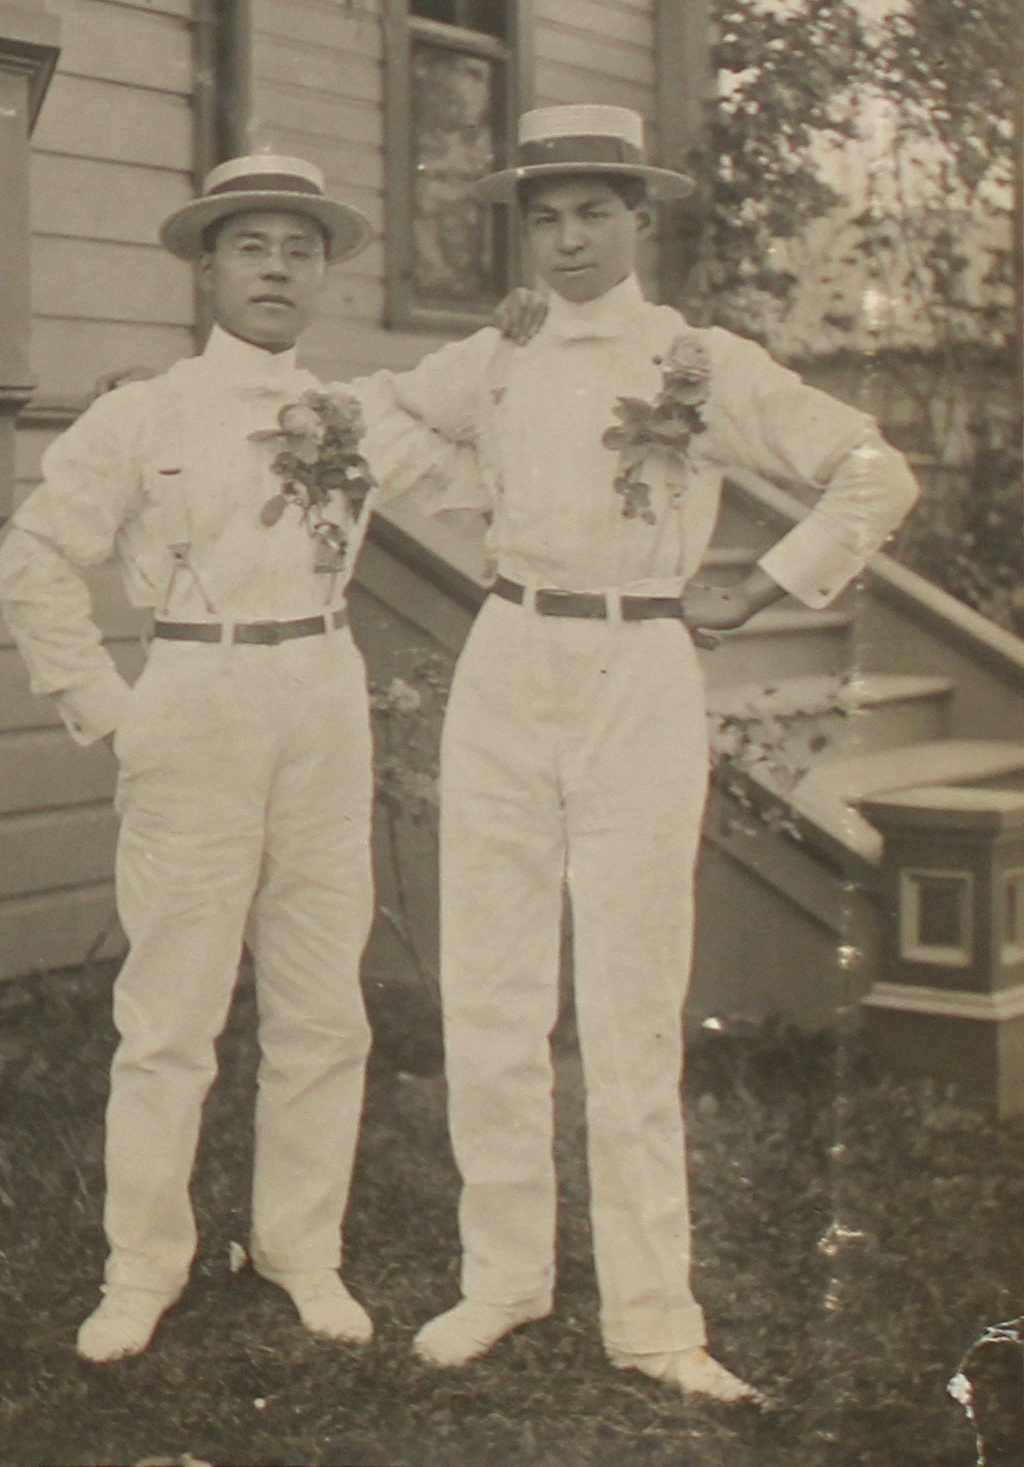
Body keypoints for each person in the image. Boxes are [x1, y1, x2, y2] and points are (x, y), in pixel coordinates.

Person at [372, 104, 920, 1402]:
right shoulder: (496, 355)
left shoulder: (699, 361)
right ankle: (501, 1275)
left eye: (591, 211)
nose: (566, 238)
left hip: (638, 669)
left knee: (626, 997)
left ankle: (654, 1318)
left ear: (639, 218)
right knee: (494, 983)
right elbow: (378, 425)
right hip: (507, 653)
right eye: (544, 214)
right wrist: (481, 485)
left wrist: (768, 583)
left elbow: (870, 472)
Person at [0, 153, 465, 1364]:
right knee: (171, 1009)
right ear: (207, 266)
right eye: (251, 246)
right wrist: (109, 705)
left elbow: (476, 440)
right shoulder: (141, 413)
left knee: (321, 1001)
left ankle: (301, 1248)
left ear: (320, 275)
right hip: (192, 696)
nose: (276, 269)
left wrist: (516, 338)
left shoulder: (355, 416)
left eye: (299, 249)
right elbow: (37, 556)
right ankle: (144, 1265)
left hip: (319, 691)